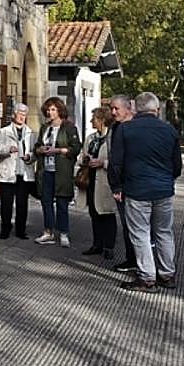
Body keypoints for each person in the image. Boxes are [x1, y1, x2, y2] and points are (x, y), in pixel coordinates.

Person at [109, 92, 183, 292]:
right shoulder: (170, 131)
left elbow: (116, 163)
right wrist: (167, 180)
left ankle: (147, 278)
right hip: (164, 190)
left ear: (136, 109)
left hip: (136, 190)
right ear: (156, 110)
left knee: (140, 234)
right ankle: (167, 275)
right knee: (164, 232)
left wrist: (117, 186)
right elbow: (177, 165)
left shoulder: (125, 130)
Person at [34, 97, 81, 247]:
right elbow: (37, 145)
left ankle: (63, 232)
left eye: (53, 109)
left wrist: (59, 150)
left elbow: (76, 148)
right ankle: (48, 231)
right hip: (46, 170)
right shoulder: (44, 128)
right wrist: (39, 149)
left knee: (62, 203)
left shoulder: (69, 127)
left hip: (62, 171)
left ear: (59, 110)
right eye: (48, 109)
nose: (50, 112)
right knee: (46, 201)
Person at [77, 106, 118, 258]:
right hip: (90, 179)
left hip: (104, 180)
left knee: (106, 212)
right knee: (94, 212)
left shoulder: (112, 138)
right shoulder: (91, 138)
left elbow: (117, 161)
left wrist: (103, 163)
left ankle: (109, 246)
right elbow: (82, 155)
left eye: (93, 118)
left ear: (101, 120)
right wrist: (85, 159)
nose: (91, 121)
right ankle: (97, 244)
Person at [106, 94, 139, 272]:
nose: (113, 112)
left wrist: (118, 184)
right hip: (121, 184)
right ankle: (131, 258)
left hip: (131, 183)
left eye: (116, 108)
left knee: (135, 224)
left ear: (127, 108)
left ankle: (138, 261)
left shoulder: (133, 127)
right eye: (111, 108)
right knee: (127, 224)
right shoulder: (115, 127)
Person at [0, 103, 35, 240]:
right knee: (6, 203)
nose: (22, 117)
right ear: (14, 115)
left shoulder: (30, 132)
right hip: (8, 171)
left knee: (22, 204)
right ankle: (5, 228)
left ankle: (20, 230)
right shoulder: (3, 131)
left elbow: (34, 152)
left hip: (23, 172)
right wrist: (7, 149)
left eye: (24, 114)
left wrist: (30, 157)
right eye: (20, 114)